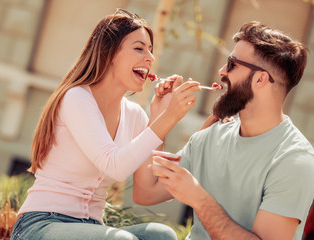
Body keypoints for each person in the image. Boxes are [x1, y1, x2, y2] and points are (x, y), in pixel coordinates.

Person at [11, 8, 202, 240]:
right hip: (41, 224)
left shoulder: (135, 115)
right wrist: (169, 117)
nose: (150, 58)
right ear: (108, 53)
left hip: (92, 227)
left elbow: (147, 193)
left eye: (150, 51)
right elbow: (114, 166)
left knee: (161, 235)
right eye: (139, 48)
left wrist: (160, 115)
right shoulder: (76, 98)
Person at [133, 21, 314, 240]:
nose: (222, 71)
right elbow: (146, 193)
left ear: (260, 79)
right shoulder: (212, 136)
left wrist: (199, 199)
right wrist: (160, 116)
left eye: (232, 64)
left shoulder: (294, 160)